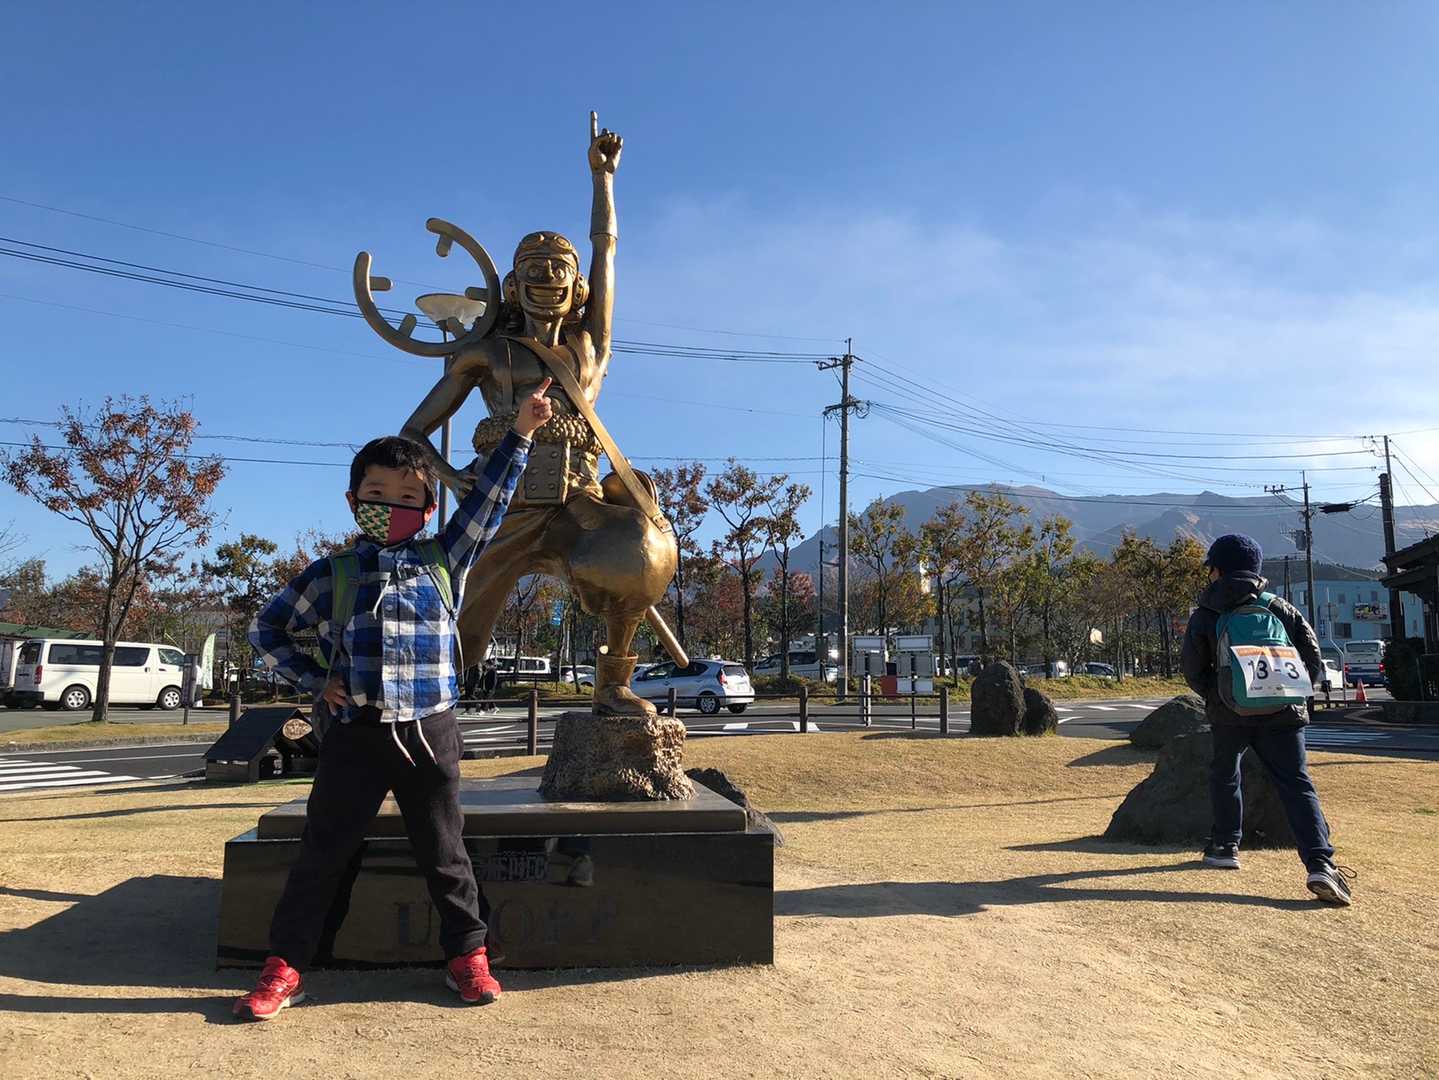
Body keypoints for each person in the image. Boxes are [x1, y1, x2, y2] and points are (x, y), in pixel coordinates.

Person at [233, 379, 554, 1021]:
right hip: (353, 731)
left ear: (429, 509)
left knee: (445, 851)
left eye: (408, 498)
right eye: (377, 495)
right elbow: (265, 630)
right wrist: (312, 680)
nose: (391, 506)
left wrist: (521, 433)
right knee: (323, 851)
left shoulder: (445, 559)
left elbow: (488, 503)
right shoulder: (332, 573)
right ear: (353, 500)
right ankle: (285, 965)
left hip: (430, 730)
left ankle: (468, 957)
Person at [1180, 533, 1355, 905]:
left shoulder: (1207, 612)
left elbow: (1192, 668)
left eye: (1211, 568)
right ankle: (1320, 864)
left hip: (1229, 712)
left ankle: (1225, 847)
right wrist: (1291, 693)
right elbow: (1312, 659)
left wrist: (1219, 695)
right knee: (1296, 784)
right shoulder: (1280, 607)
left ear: (1218, 569)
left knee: (1225, 774)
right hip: (1283, 712)